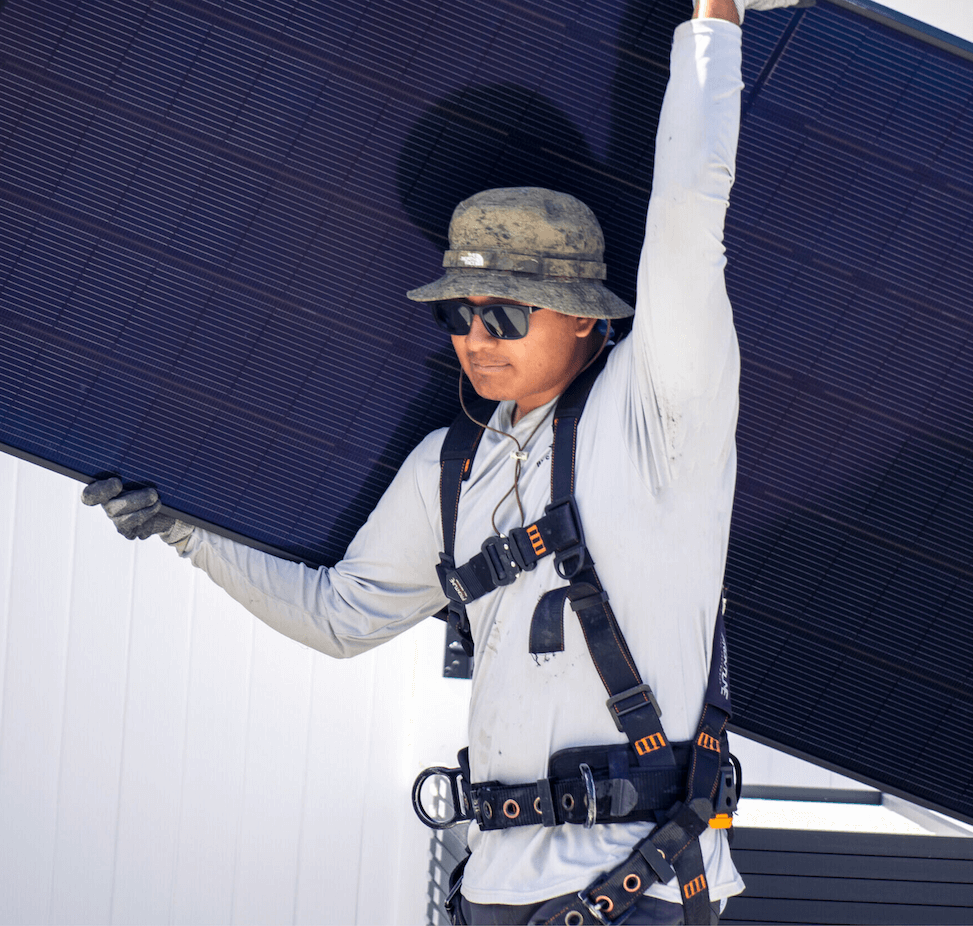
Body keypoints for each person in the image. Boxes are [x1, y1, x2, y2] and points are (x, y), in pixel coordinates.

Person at [84, 1, 802, 922]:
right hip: (491, 894)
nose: (474, 337)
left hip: (640, 888)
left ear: (585, 314)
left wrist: (714, 22)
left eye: (503, 312)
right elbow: (342, 617)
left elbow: (689, 211)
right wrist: (186, 533)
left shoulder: (661, 412)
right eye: (456, 314)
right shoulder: (448, 468)